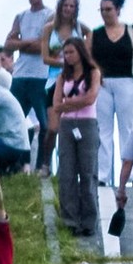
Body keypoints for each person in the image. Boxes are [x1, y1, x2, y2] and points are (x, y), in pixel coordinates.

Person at [51, 35, 102, 238]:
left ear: (80, 52)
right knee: (67, 172)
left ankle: (89, 220)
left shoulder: (93, 73)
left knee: (88, 172)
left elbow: (90, 98)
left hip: (87, 124)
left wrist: (69, 103)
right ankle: (70, 219)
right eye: (66, 53)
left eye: (71, 52)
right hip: (67, 126)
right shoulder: (63, 76)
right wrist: (72, 104)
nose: (68, 56)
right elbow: (56, 104)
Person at [5, 0, 52, 172]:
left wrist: (21, 43)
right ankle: (14, 164)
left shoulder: (50, 15)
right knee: (14, 120)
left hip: (41, 75)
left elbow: (44, 46)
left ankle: (42, 165)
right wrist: (30, 42)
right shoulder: (21, 16)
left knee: (45, 124)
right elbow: (8, 45)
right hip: (20, 74)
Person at [92, 0, 133, 185]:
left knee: (128, 128)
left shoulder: (131, 31)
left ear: (118, 10)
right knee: (103, 129)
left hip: (127, 81)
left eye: (108, 9)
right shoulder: (96, 33)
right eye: (102, 9)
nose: (105, 13)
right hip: (103, 83)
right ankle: (103, 174)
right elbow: (88, 56)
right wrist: (97, 72)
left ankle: (131, 173)